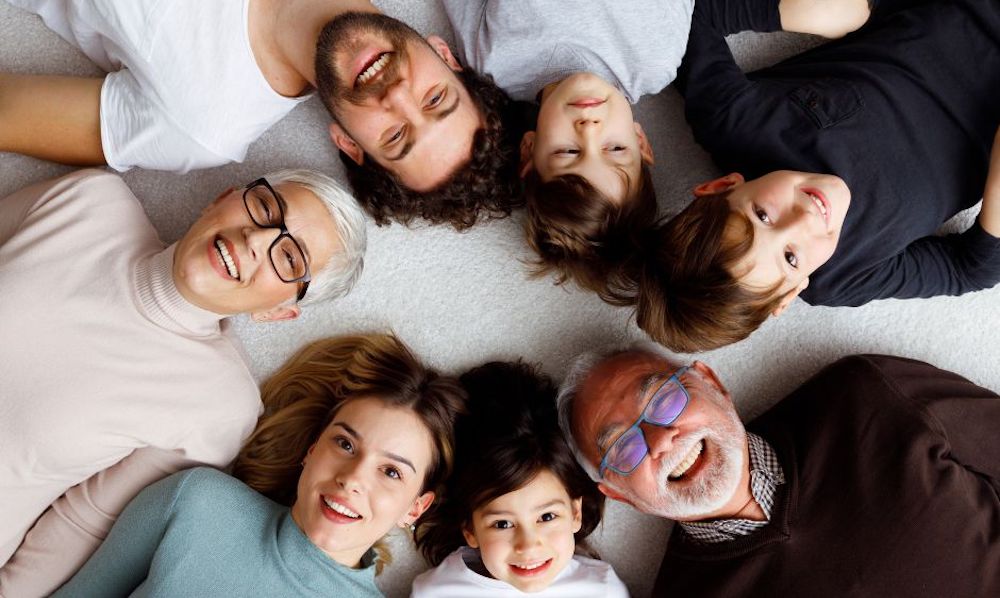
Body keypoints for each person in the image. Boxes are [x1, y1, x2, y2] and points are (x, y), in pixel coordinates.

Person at [0, 168, 366, 596]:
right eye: (265, 207)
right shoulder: (88, 199)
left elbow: (77, 525)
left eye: (288, 260)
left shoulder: (218, 405)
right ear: (223, 197)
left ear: (277, 312)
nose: (256, 239)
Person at [632, 0, 1000, 352]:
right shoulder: (843, 278)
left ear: (722, 186)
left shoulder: (736, 122)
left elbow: (675, 18)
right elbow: (971, 270)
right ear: (790, 295)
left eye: (763, 215)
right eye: (791, 258)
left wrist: (794, 10)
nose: (804, 219)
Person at [441, 0, 869, 294]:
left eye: (568, 152)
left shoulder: (495, 60)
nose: (588, 127)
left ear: (528, 150)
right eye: (614, 149)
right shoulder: (656, 61)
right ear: (641, 141)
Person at [0, 1, 520, 228]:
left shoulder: (203, 125)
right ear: (445, 56)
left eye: (396, 136)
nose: (397, 96)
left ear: (350, 145)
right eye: (435, 99)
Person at [556, 344, 1000, 596]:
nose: (660, 439)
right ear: (618, 495)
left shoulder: (865, 396)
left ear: (712, 383)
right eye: (623, 446)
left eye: (663, 401)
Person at [51, 333, 466, 597]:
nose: (353, 478)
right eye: (344, 443)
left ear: (415, 508)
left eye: (391, 472)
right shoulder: (197, 502)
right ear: (311, 449)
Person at [412, 361, 627, 597]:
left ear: (576, 513)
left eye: (547, 517)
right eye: (502, 524)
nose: (528, 545)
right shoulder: (436, 593)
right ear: (470, 529)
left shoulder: (602, 589)